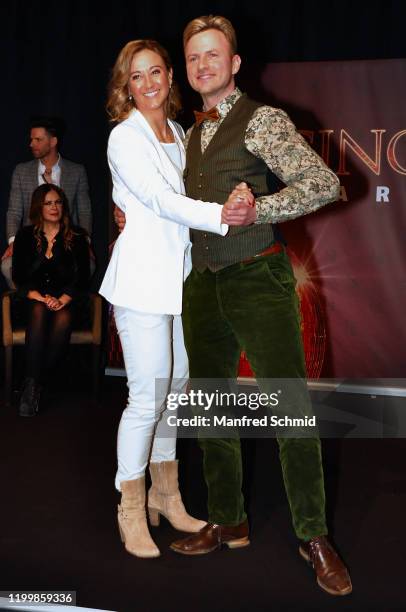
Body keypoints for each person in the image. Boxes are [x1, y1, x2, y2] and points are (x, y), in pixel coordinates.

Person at [158, 15, 352, 597]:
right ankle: (228, 520)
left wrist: (260, 209)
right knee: (212, 406)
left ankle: (314, 536)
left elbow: (324, 183)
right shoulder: (189, 133)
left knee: (290, 410)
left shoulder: (262, 119)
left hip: (258, 275)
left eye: (213, 55)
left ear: (235, 63)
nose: (202, 66)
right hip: (204, 283)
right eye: (194, 59)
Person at [99, 39, 253, 559]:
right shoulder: (124, 137)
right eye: (135, 76)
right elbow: (160, 201)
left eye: (155, 72)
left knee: (177, 392)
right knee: (146, 398)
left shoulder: (181, 134)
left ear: (170, 77)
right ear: (126, 85)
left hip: (182, 281)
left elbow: (193, 191)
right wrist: (219, 218)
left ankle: (167, 496)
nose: (147, 84)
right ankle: (130, 508)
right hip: (141, 283)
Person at [12, 183, 90, 417]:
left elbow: (83, 277)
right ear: (39, 207)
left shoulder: (76, 236)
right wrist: (41, 298)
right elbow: (18, 276)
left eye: (57, 202)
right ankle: (36, 384)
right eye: (48, 203)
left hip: (67, 301)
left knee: (63, 317)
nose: (54, 207)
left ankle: (32, 383)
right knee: (37, 311)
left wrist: (64, 298)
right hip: (32, 300)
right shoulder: (25, 236)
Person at [2, 116, 92, 287]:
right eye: (31, 139)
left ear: (53, 142)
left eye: (38, 140)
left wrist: (84, 243)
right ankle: (33, 303)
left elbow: (85, 212)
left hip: (67, 243)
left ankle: (59, 303)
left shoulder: (77, 172)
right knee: (8, 266)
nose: (31, 144)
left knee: (87, 266)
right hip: (31, 243)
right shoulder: (21, 171)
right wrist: (14, 243)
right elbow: (13, 212)